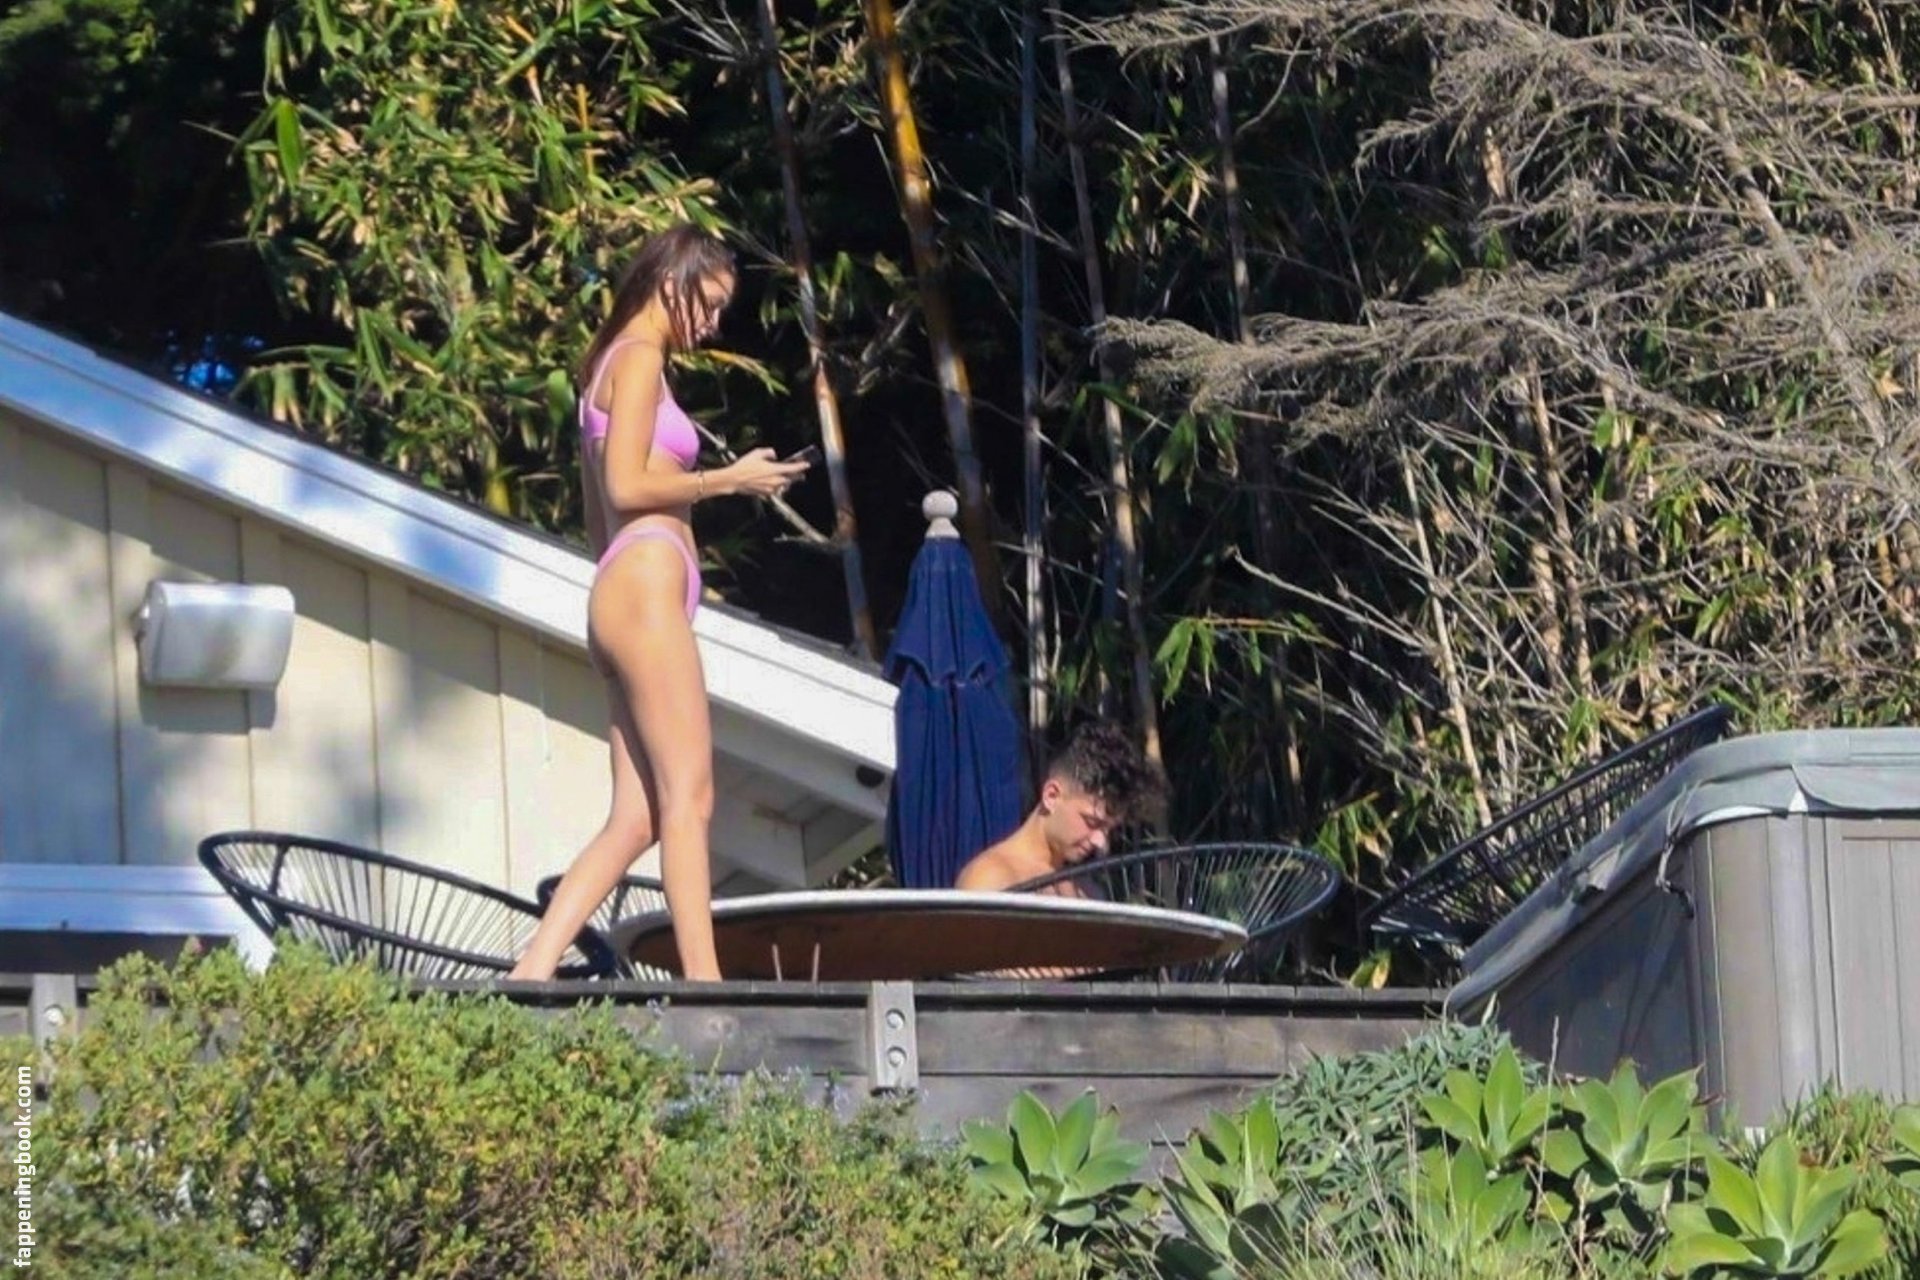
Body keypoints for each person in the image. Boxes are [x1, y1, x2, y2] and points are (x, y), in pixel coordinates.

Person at [510, 225, 810, 982]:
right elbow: (624, 488)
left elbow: (596, 516)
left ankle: (531, 968)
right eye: (707, 302)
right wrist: (728, 480)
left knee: (638, 816)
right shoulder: (639, 357)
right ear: (669, 278)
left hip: (624, 586)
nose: (711, 322)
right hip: (641, 588)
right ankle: (706, 987)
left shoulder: (604, 367)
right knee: (690, 797)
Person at [954, 722, 1165, 894]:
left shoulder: (1087, 891)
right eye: (1092, 822)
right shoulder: (992, 880)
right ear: (1051, 796)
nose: (1100, 842)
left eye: (1108, 829)